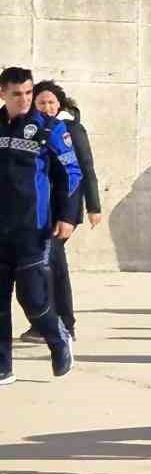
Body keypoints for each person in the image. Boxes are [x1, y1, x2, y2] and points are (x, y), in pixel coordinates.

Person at [0, 66, 80, 385]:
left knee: (33, 299)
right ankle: (3, 366)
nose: (24, 99)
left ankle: (58, 340)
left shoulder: (48, 128)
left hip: (33, 229)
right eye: (17, 94)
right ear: (3, 93)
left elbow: (72, 173)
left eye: (29, 93)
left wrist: (67, 216)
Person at [19, 84, 101, 342]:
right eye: (42, 103)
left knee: (54, 265)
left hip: (63, 209)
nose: (47, 108)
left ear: (60, 104)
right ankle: (44, 323)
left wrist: (93, 207)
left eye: (52, 103)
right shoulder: (31, 130)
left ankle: (65, 324)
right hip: (38, 209)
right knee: (38, 267)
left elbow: (85, 169)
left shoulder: (72, 130)